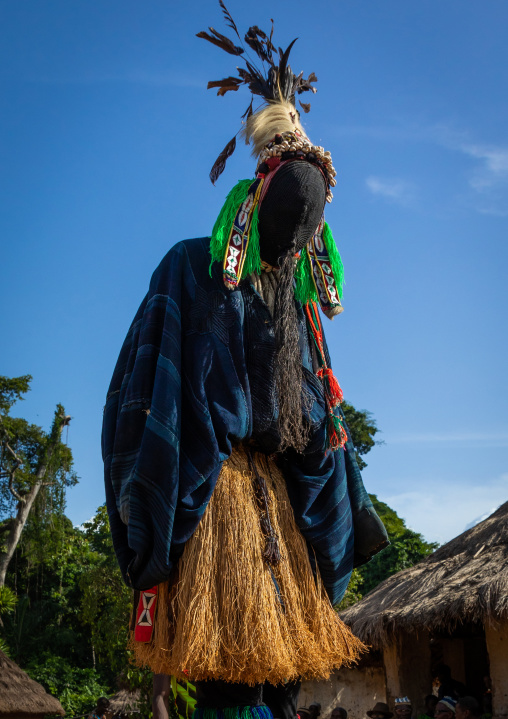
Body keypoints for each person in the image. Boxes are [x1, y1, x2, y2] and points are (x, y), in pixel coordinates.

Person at [102, 6, 388, 719]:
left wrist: (330, 481)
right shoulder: (191, 271)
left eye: (309, 220)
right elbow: (144, 402)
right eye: (288, 209)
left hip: (282, 525)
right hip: (217, 510)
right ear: (254, 197)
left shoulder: (298, 310)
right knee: (231, 689)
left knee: (281, 684)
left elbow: (318, 421)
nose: (297, 231)